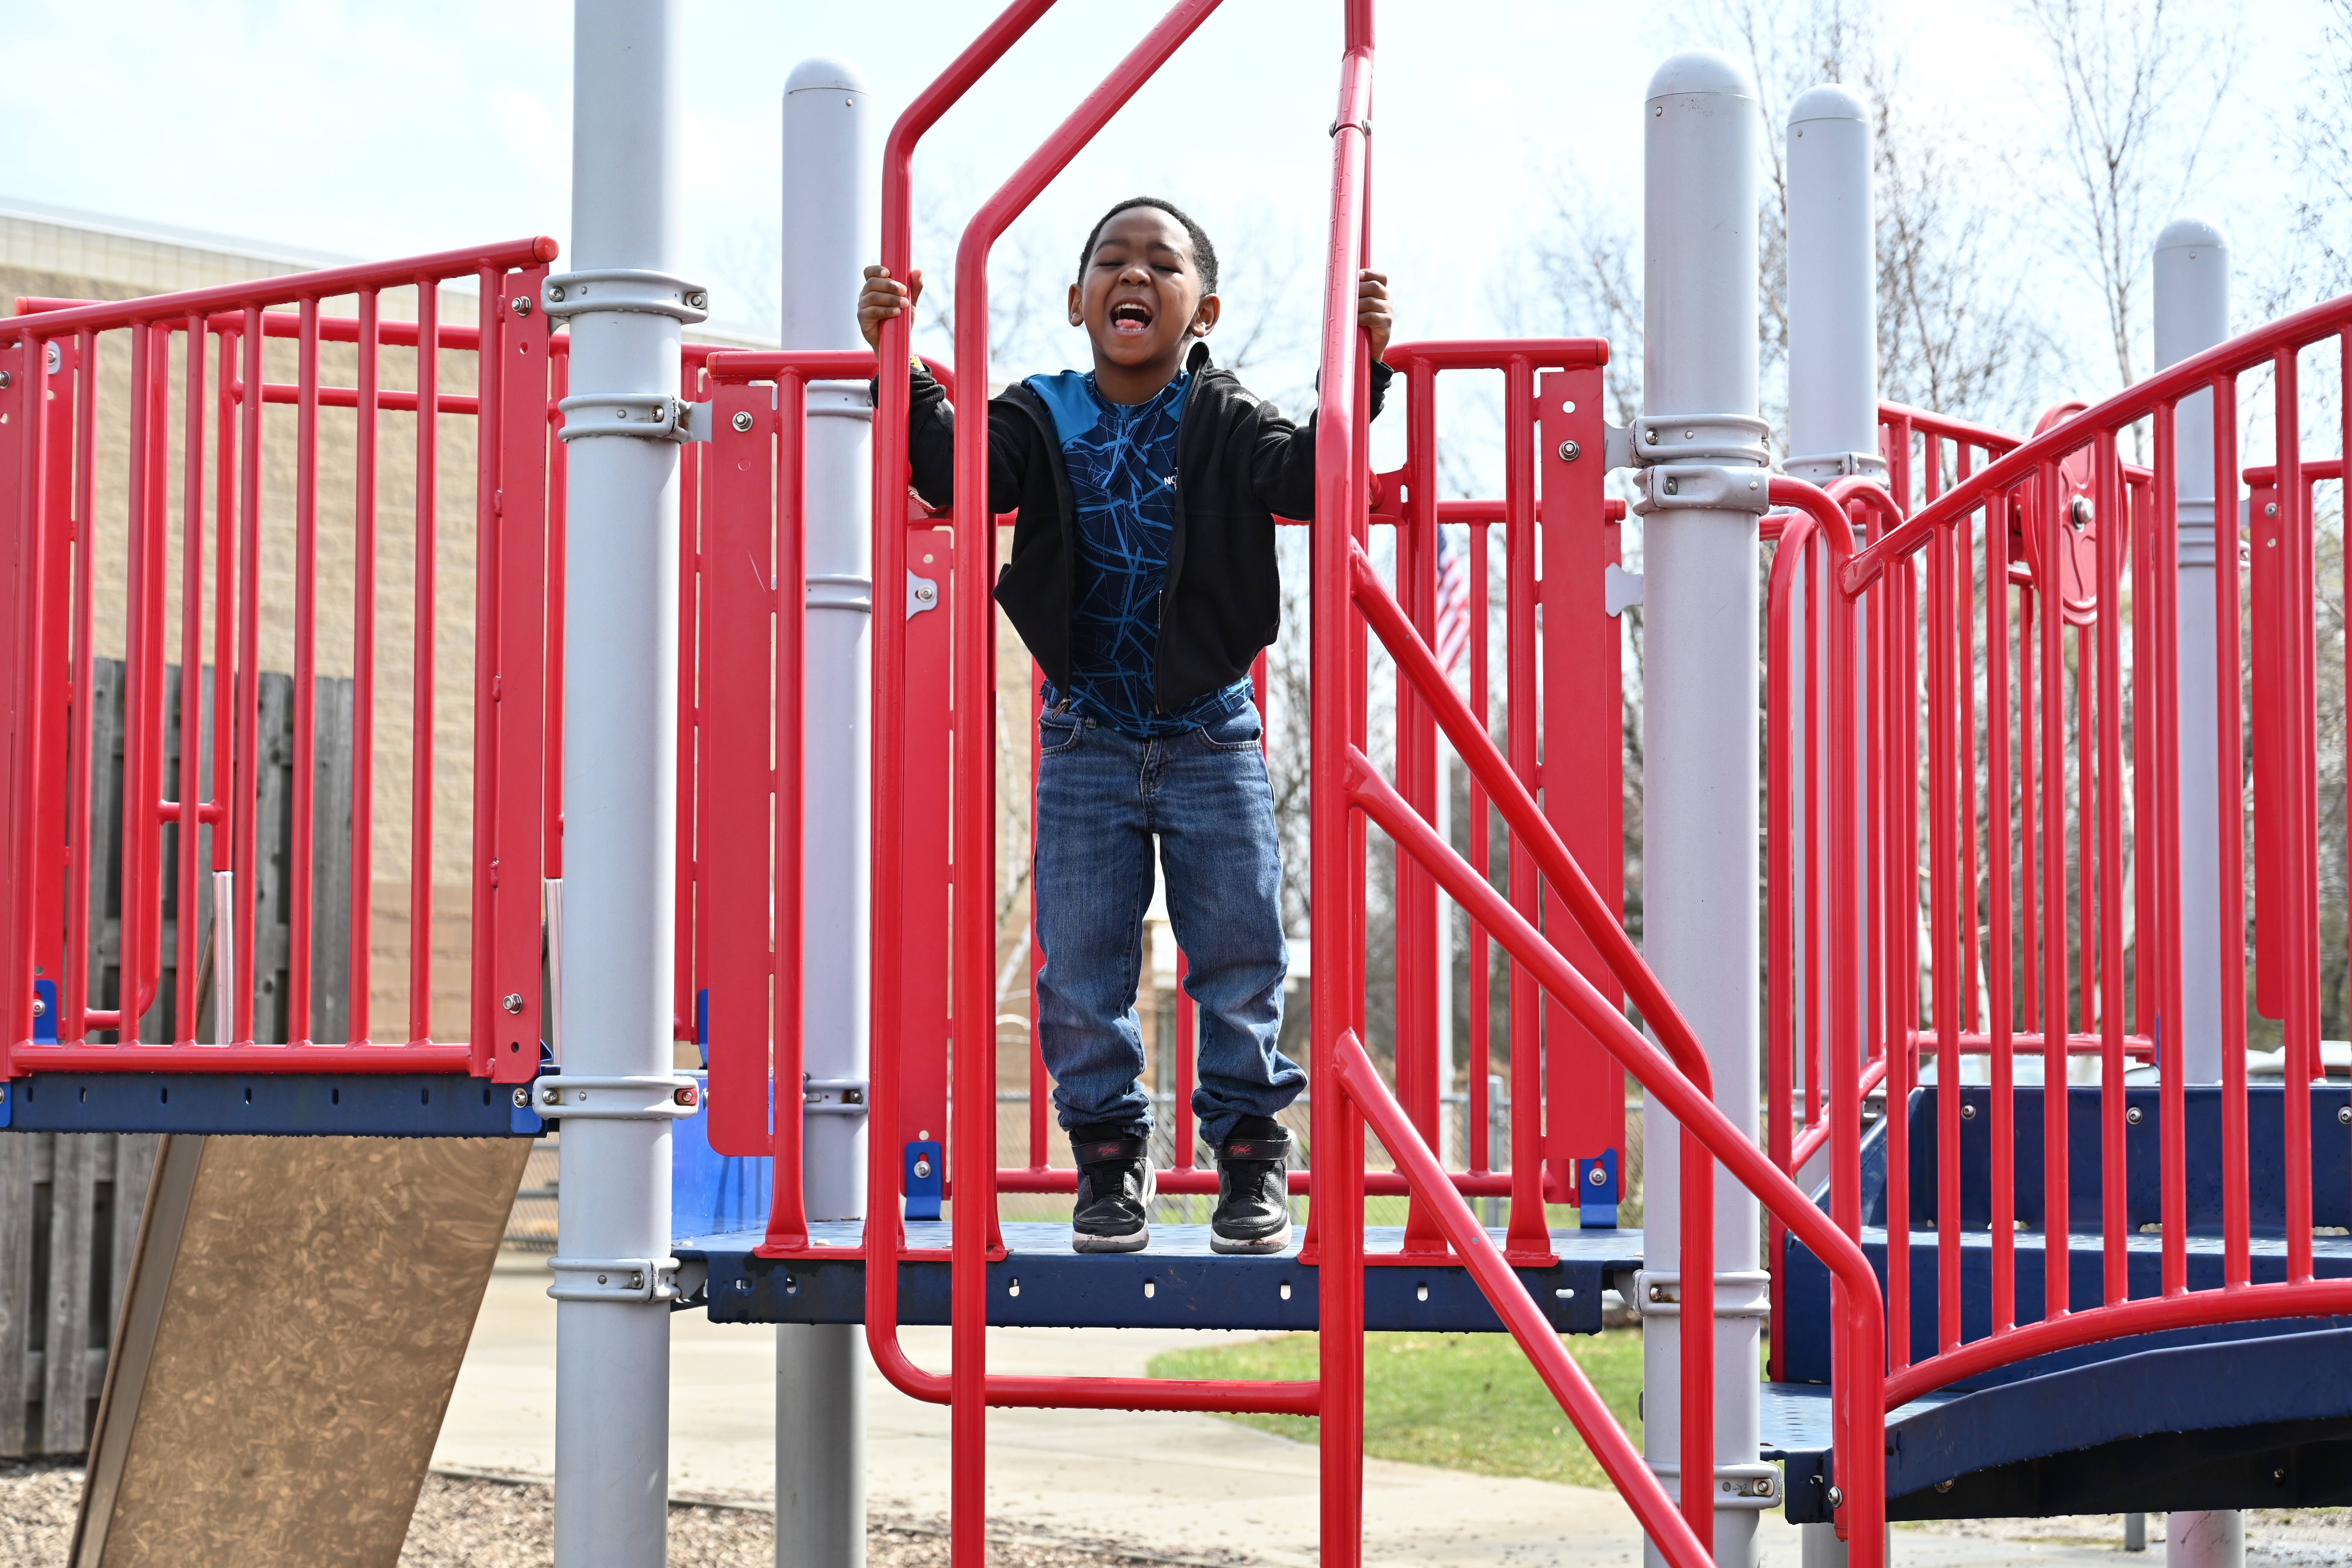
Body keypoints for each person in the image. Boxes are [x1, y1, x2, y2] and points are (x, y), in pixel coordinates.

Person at [858, 196, 1393, 1255]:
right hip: (1087, 737)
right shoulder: (1039, 413)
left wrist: (1359, 368)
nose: (1133, 276)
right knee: (1081, 968)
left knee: (1238, 953)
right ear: (1077, 302)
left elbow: (1304, 475)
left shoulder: (1226, 416)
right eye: (1111, 261)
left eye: (1161, 263)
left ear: (1203, 309)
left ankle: (1247, 1154)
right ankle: (1107, 1161)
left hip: (1210, 734)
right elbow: (957, 471)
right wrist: (899, 359)